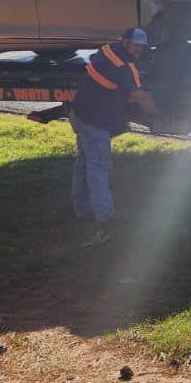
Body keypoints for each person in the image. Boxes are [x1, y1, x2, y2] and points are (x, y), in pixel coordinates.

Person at [69, 27, 151, 247]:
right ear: (125, 42)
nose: (137, 50)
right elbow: (138, 96)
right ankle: (106, 220)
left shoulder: (106, 50)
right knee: (99, 167)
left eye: (140, 47)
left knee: (84, 162)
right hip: (95, 122)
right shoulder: (125, 67)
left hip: (78, 114)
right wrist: (158, 115)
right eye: (135, 46)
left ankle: (82, 210)